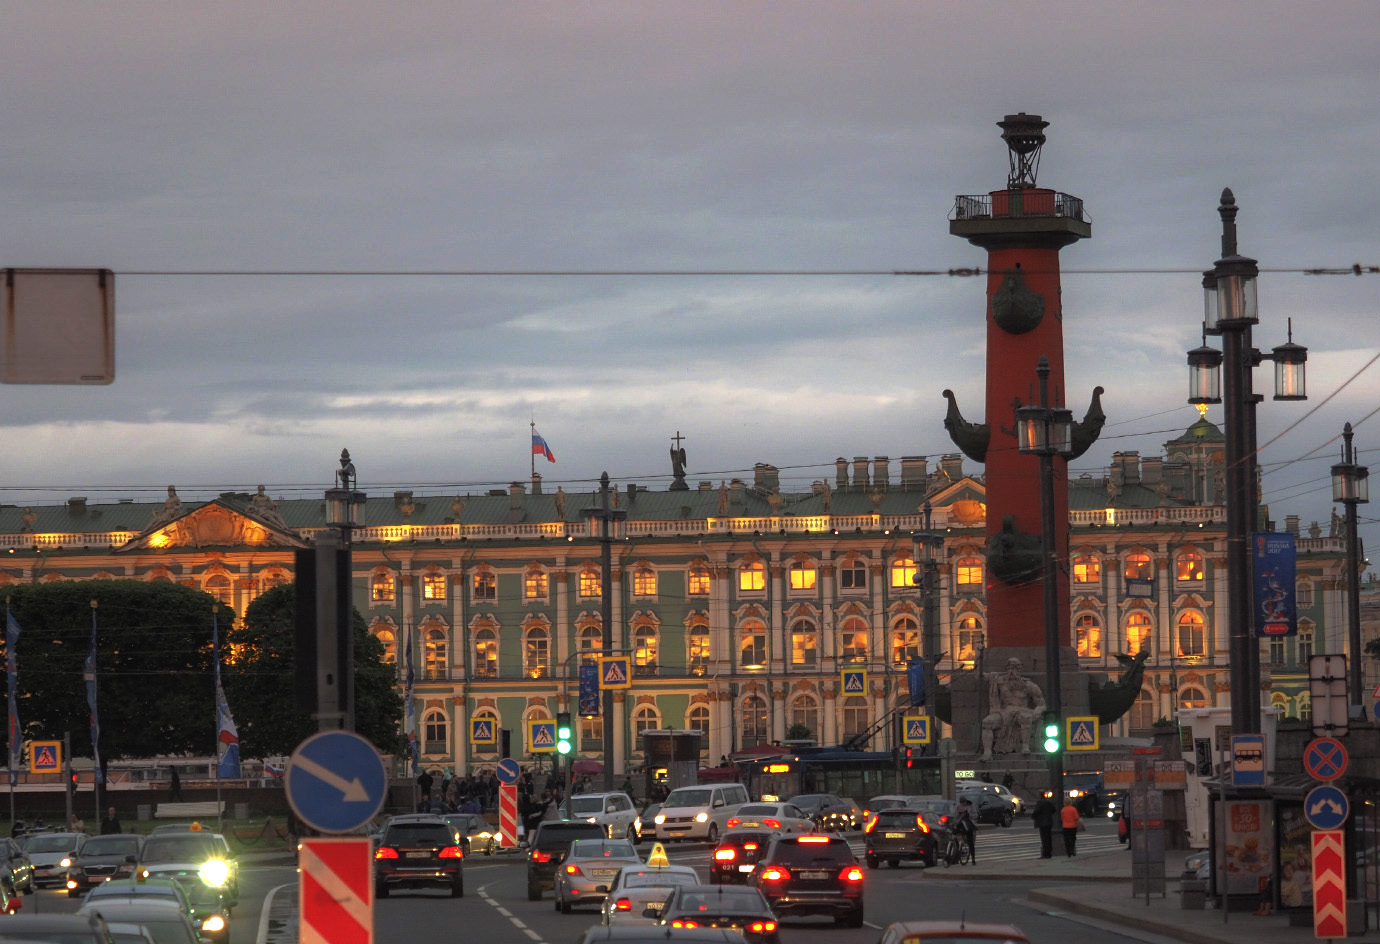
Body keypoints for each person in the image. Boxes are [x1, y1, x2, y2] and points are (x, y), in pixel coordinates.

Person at [1031, 794, 1057, 858]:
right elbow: (1054, 810)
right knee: (1049, 838)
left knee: (1044, 839)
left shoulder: (1039, 802)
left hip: (1042, 823)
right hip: (1049, 822)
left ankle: (1045, 854)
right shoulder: (1049, 802)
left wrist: (1033, 816)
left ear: (1040, 796)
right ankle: (1049, 853)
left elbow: (1036, 811)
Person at [956, 797, 978, 863]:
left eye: (964, 803)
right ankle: (955, 853)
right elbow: (956, 816)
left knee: (970, 842)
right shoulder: (958, 807)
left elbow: (975, 815)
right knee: (954, 834)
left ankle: (973, 858)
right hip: (961, 824)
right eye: (961, 803)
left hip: (969, 825)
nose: (962, 804)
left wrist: (969, 815)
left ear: (966, 801)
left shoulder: (970, 806)